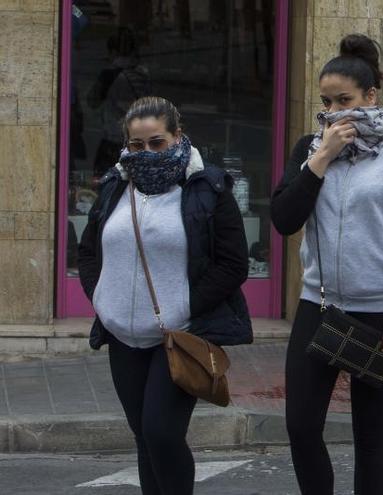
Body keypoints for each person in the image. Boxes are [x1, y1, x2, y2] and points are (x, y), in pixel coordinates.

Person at [270, 34, 383, 494]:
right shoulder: (311, 149)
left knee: (369, 435)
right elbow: (284, 219)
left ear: (370, 97)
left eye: (345, 100)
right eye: (327, 102)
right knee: (301, 428)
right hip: (319, 305)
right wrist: (320, 158)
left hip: (381, 312)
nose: (337, 112)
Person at [78, 96, 253, 495]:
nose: (146, 153)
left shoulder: (207, 187)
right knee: (143, 436)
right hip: (122, 336)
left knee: (161, 432)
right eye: (136, 145)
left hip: (177, 336)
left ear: (177, 135)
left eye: (156, 142)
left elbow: (233, 266)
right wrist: (102, 301)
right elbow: (88, 252)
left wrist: (184, 308)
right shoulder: (114, 187)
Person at [87, 26, 152, 178]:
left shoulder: (109, 75)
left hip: (114, 137)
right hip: (138, 138)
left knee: (105, 181)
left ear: (113, 52)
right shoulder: (143, 74)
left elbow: (92, 101)